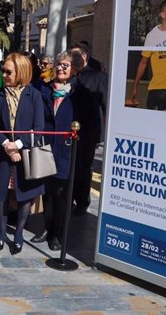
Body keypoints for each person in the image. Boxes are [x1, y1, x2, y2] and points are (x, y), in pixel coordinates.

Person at [0, 53, 45, 255]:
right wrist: (6, 145)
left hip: (25, 155)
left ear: (21, 72)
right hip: (1, 154)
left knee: (24, 196)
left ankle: (18, 234)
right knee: (1, 194)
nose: (4, 75)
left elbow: (38, 127)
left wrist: (17, 145)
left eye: (8, 71)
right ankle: (1, 233)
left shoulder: (34, 95)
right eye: (3, 71)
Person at [38, 50, 88, 250]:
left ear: (74, 69)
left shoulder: (81, 94)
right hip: (46, 149)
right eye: (58, 64)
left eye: (65, 65)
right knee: (47, 193)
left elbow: (92, 125)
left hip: (67, 152)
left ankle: (57, 233)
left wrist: (82, 149)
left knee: (62, 194)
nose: (60, 68)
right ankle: (46, 227)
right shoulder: (45, 90)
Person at [70, 41, 107, 215]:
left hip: (89, 132)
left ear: (85, 56)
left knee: (84, 168)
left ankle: (82, 201)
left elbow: (105, 105)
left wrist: (101, 134)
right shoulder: (69, 76)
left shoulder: (98, 77)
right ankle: (68, 198)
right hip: (68, 131)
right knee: (70, 166)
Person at [131, 0, 166, 112]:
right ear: (162, 14)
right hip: (156, 88)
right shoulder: (152, 36)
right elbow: (143, 62)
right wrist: (135, 86)